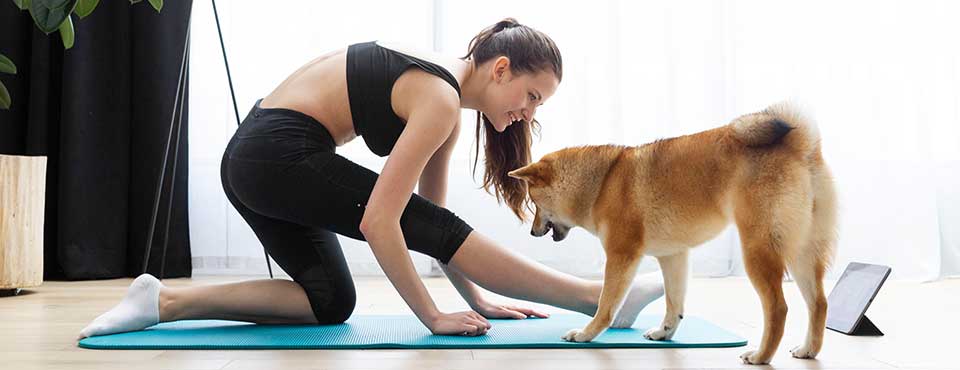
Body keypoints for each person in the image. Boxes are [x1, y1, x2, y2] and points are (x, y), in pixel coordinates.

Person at [79, 18, 663, 339]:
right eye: (530, 96)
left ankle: (162, 299)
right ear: (501, 68)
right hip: (272, 154)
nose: (529, 113)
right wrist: (432, 317)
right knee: (401, 224)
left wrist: (474, 296)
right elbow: (383, 221)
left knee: (329, 301)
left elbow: (431, 233)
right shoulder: (436, 96)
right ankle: (602, 297)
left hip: (258, 159)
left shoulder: (443, 108)